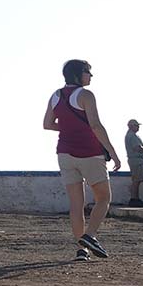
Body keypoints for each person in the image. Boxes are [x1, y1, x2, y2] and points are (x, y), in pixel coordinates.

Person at [42, 59, 121, 261]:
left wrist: (69, 128)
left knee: (76, 203)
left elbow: (48, 124)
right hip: (89, 153)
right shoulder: (86, 95)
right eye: (88, 72)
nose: (91, 76)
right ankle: (90, 235)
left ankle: (81, 250)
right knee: (103, 198)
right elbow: (95, 125)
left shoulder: (55, 96)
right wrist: (112, 151)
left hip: (65, 154)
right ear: (78, 74)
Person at [124, 119, 143, 205]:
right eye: (136, 125)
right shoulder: (132, 136)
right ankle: (134, 198)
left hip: (136, 160)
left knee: (137, 179)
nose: (138, 127)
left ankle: (135, 198)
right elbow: (137, 147)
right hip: (136, 160)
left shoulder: (131, 135)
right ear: (131, 126)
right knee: (136, 180)